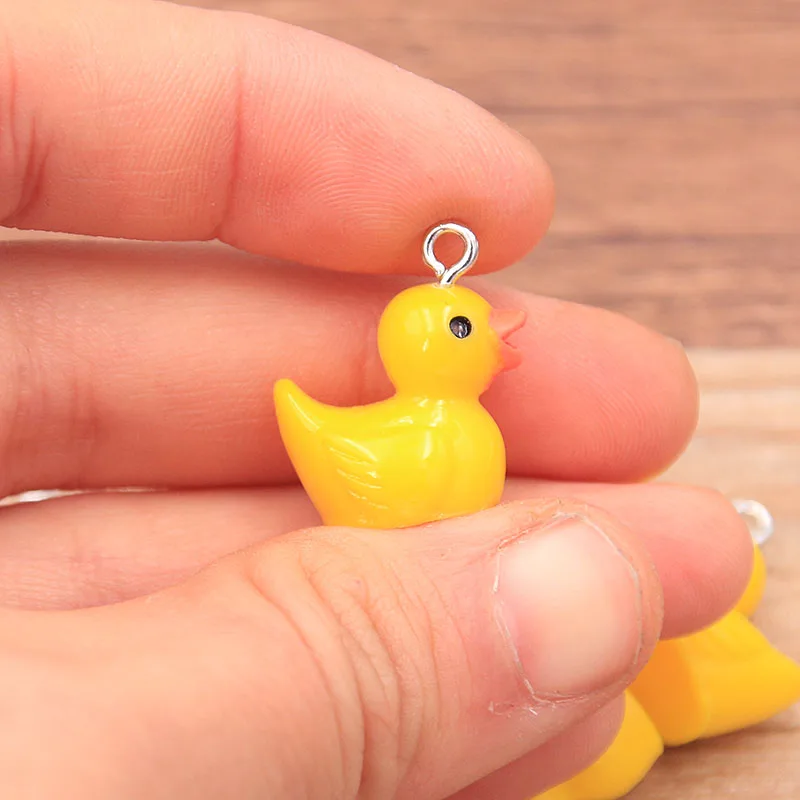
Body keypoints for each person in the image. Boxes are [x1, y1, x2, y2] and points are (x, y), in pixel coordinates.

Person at [0, 1, 752, 797]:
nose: (495, 343)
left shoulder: (456, 431)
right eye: (469, 329)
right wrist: (377, 656)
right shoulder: (435, 439)